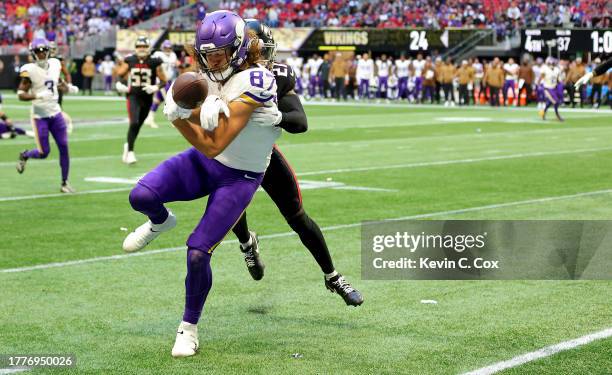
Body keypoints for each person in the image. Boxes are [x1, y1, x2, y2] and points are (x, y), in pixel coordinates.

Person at [123, 11, 282, 358]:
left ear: (239, 49)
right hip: (204, 164)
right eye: (207, 54)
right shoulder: (205, 78)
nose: (213, 61)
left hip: (239, 176)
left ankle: (188, 328)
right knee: (141, 195)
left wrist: (182, 117)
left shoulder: (257, 79)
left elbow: (214, 142)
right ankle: (161, 221)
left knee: (197, 254)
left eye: (220, 54)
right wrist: (183, 103)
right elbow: (194, 104)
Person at [232, 19, 363, 306]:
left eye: (262, 50)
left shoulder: (278, 75)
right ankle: (247, 244)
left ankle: (332, 276)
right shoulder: (223, 74)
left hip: (264, 153)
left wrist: (277, 117)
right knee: (228, 210)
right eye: (252, 49)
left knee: (297, 216)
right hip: (231, 156)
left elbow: (300, 121)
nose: (260, 57)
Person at [16, 38, 79, 193]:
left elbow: (58, 82)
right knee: (44, 153)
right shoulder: (29, 69)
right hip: (39, 116)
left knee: (64, 147)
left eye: (44, 50)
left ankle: (65, 182)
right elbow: (20, 94)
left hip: (56, 113)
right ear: (33, 53)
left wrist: (67, 87)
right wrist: (37, 96)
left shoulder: (56, 64)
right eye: (38, 51)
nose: (42, 54)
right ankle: (25, 155)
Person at [114, 36, 167, 164]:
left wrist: (155, 87)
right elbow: (120, 74)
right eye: (139, 46)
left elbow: (164, 81)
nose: (141, 49)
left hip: (147, 98)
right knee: (133, 123)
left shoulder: (155, 61)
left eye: (144, 46)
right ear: (136, 48)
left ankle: (128, 145)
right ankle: (131, 153)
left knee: (138, 125)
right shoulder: (130, 60)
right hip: (133, 96)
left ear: (148, 48)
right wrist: (119, 85)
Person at [144, 40, 179, 129]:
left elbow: (174, 67)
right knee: (170, 100)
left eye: (169, 48)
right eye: (166, 47)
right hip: (161, 81)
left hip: (169, 80)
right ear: (162, 48)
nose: (167, 49)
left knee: (157, 100)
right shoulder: (158, 54)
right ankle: (173, 120)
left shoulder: (173, 55)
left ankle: (149, 118)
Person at [538, 57, 563, 121]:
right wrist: (539, 85)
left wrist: (559, 83)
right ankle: (557, 115)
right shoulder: (545, 69)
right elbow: (541, 77)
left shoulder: (557, 70)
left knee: (550, 102)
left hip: (554, 88)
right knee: (555, 101)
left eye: (553, 63)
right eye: (550, 63)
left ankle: (543, 113)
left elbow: (557, 79)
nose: (552, 65)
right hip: (547, 88)